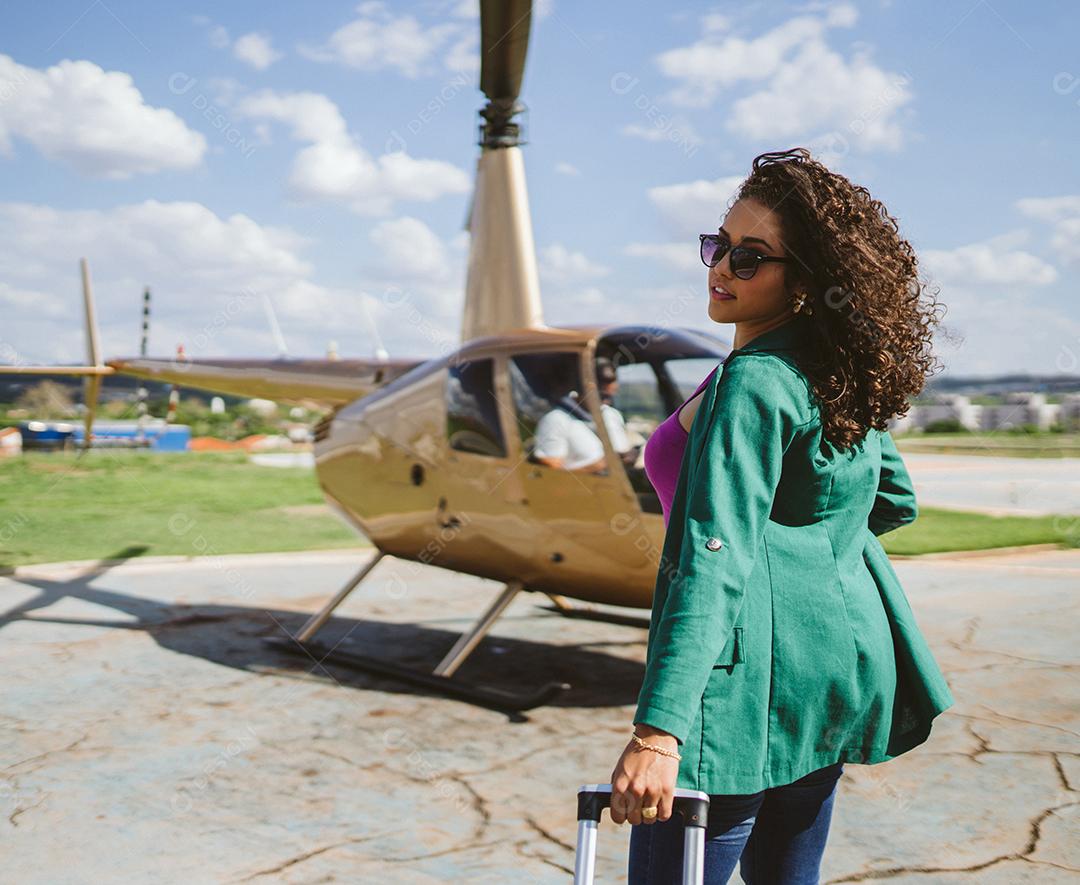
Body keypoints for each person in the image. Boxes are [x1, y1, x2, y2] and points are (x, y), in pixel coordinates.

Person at [608, 147, 954, 884]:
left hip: (738, 688)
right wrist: (802, 555)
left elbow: (713, 553)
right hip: (830, 676)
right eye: (719, 246)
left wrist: (658, 731)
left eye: (750, 258)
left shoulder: (755, 382)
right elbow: (892, 500)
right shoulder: (829, 373)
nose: (721, 270)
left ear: (806, 282)